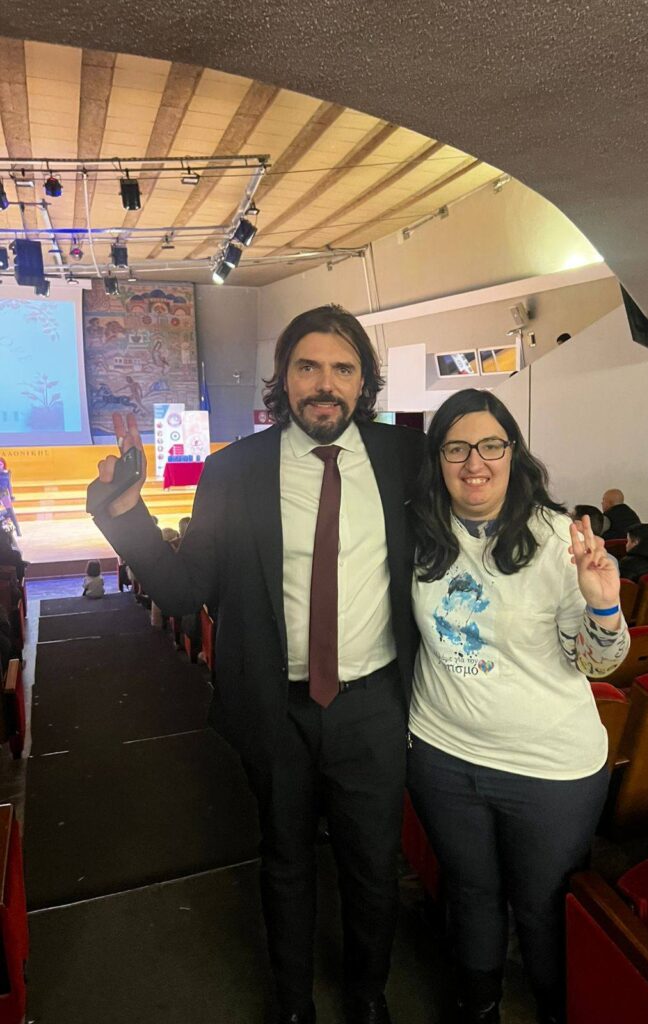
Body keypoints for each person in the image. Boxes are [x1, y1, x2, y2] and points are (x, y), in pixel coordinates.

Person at [89, 305, 425, 1024]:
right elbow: (185, 592)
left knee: (373, 869)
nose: (325, 384)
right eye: (308, 367)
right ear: (284, 378)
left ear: (364, 382)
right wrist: (125, 516)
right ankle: (292, 1002)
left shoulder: (406, 458)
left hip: (373, 707)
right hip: (275, 708)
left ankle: (369, 996)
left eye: (343, 369)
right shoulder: (233, 471)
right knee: (286, 862)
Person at [406, 389, 629, 1024]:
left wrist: (603, 604)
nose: (474, 462)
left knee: (541, 907)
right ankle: (480, 1005)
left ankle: (555, 1010)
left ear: (513, 452)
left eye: (490, 446)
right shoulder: (419, 530)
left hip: (548, 770)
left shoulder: (559, 539)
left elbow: (598, 663)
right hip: (443, 757)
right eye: (456, 448)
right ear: (438, 458)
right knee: (471, 893)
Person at [0, 458, 21, 537]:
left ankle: (17, 529)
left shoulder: (7, 473)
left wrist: (11, 495)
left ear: (3, 465)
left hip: (4, 493)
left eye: (0, 464)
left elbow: (9, 485)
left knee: (10, 512)